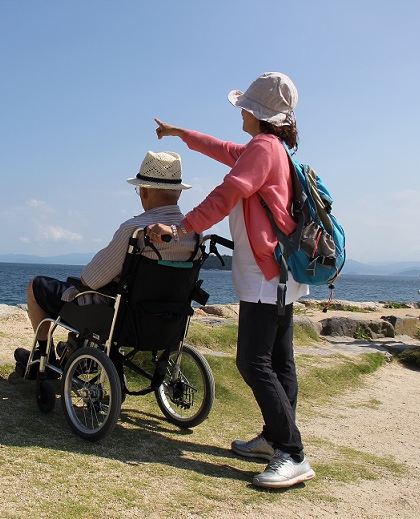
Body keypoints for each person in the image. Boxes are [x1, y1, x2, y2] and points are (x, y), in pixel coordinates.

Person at [148, 72, 315, 489]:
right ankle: (274, 439)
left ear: (256, 113)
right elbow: (223, 150)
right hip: (281, 273)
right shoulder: (270, 148)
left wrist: (181, 228)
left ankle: (291, 453)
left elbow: (227, 194)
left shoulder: (261, 149)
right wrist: (180, 132)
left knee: (252, 361)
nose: (239, 110)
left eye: (244, 105)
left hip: (264, 274)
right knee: (279, 361)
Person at [15, 150, 200, 374]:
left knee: (37, 286)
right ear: (178, 194)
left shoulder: (136, 231)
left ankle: (41, 358)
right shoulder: (194, 234)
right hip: (168, 321)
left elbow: (90, 279)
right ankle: (72, 351)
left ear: (144, 191)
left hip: (122, 320)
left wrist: (83, 280)